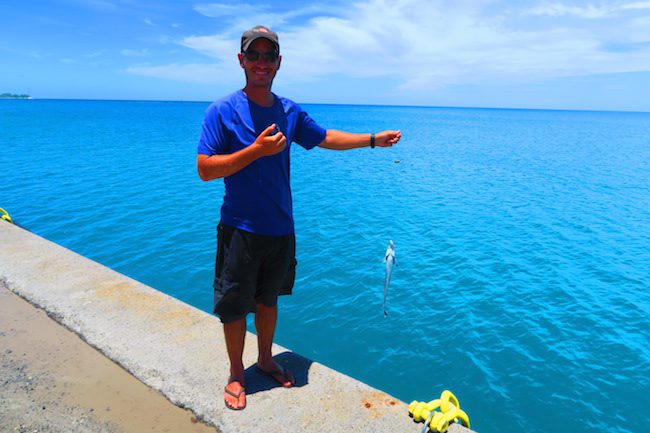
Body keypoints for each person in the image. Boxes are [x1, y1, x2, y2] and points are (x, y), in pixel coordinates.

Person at [197, 25, 401, 411]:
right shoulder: (221, 111)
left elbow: (325, 137)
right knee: (235, 307)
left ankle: (266, 359)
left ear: (278, 63)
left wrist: (373, 139)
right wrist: (255, 151)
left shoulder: (288, 111)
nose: (261, 62)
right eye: (253, 55)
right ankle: (237, 373)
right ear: (241, 60)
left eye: (268, 56)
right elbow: (205, 169)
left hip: (280, 229)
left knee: (269, 301)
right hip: (239, 229)